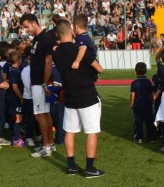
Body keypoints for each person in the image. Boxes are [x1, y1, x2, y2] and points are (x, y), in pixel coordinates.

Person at [51, 19, 105, 178]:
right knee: (92, 132)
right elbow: (99, 68)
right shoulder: (80, 49)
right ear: (71, 31)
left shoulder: (56, 52)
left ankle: (72, 166)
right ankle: (89, 168)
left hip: (69, 96)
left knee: (70, 131)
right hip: (87, 96)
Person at [20, 13, 57, 158]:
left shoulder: (46, 39)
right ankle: (50, 143)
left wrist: (44, 82)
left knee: (40, 114)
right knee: (44, 114)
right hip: (38, 82)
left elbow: (49, 61)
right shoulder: (37, 38)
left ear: (34, 23)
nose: (26, 30)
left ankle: (46, 146)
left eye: (26, 26)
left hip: (40, 83)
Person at [129, 62, 156, 143]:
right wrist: (152, 100)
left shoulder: (134, 82)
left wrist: (131, 103)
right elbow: (151, 93)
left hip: (138, 105)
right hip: (148, 104)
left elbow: (132, 94)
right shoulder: (148, 81)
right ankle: (151, 137)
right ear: (145, 71)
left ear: (135, 71)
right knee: (149, 121)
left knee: (138, 122)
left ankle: (139, 137)